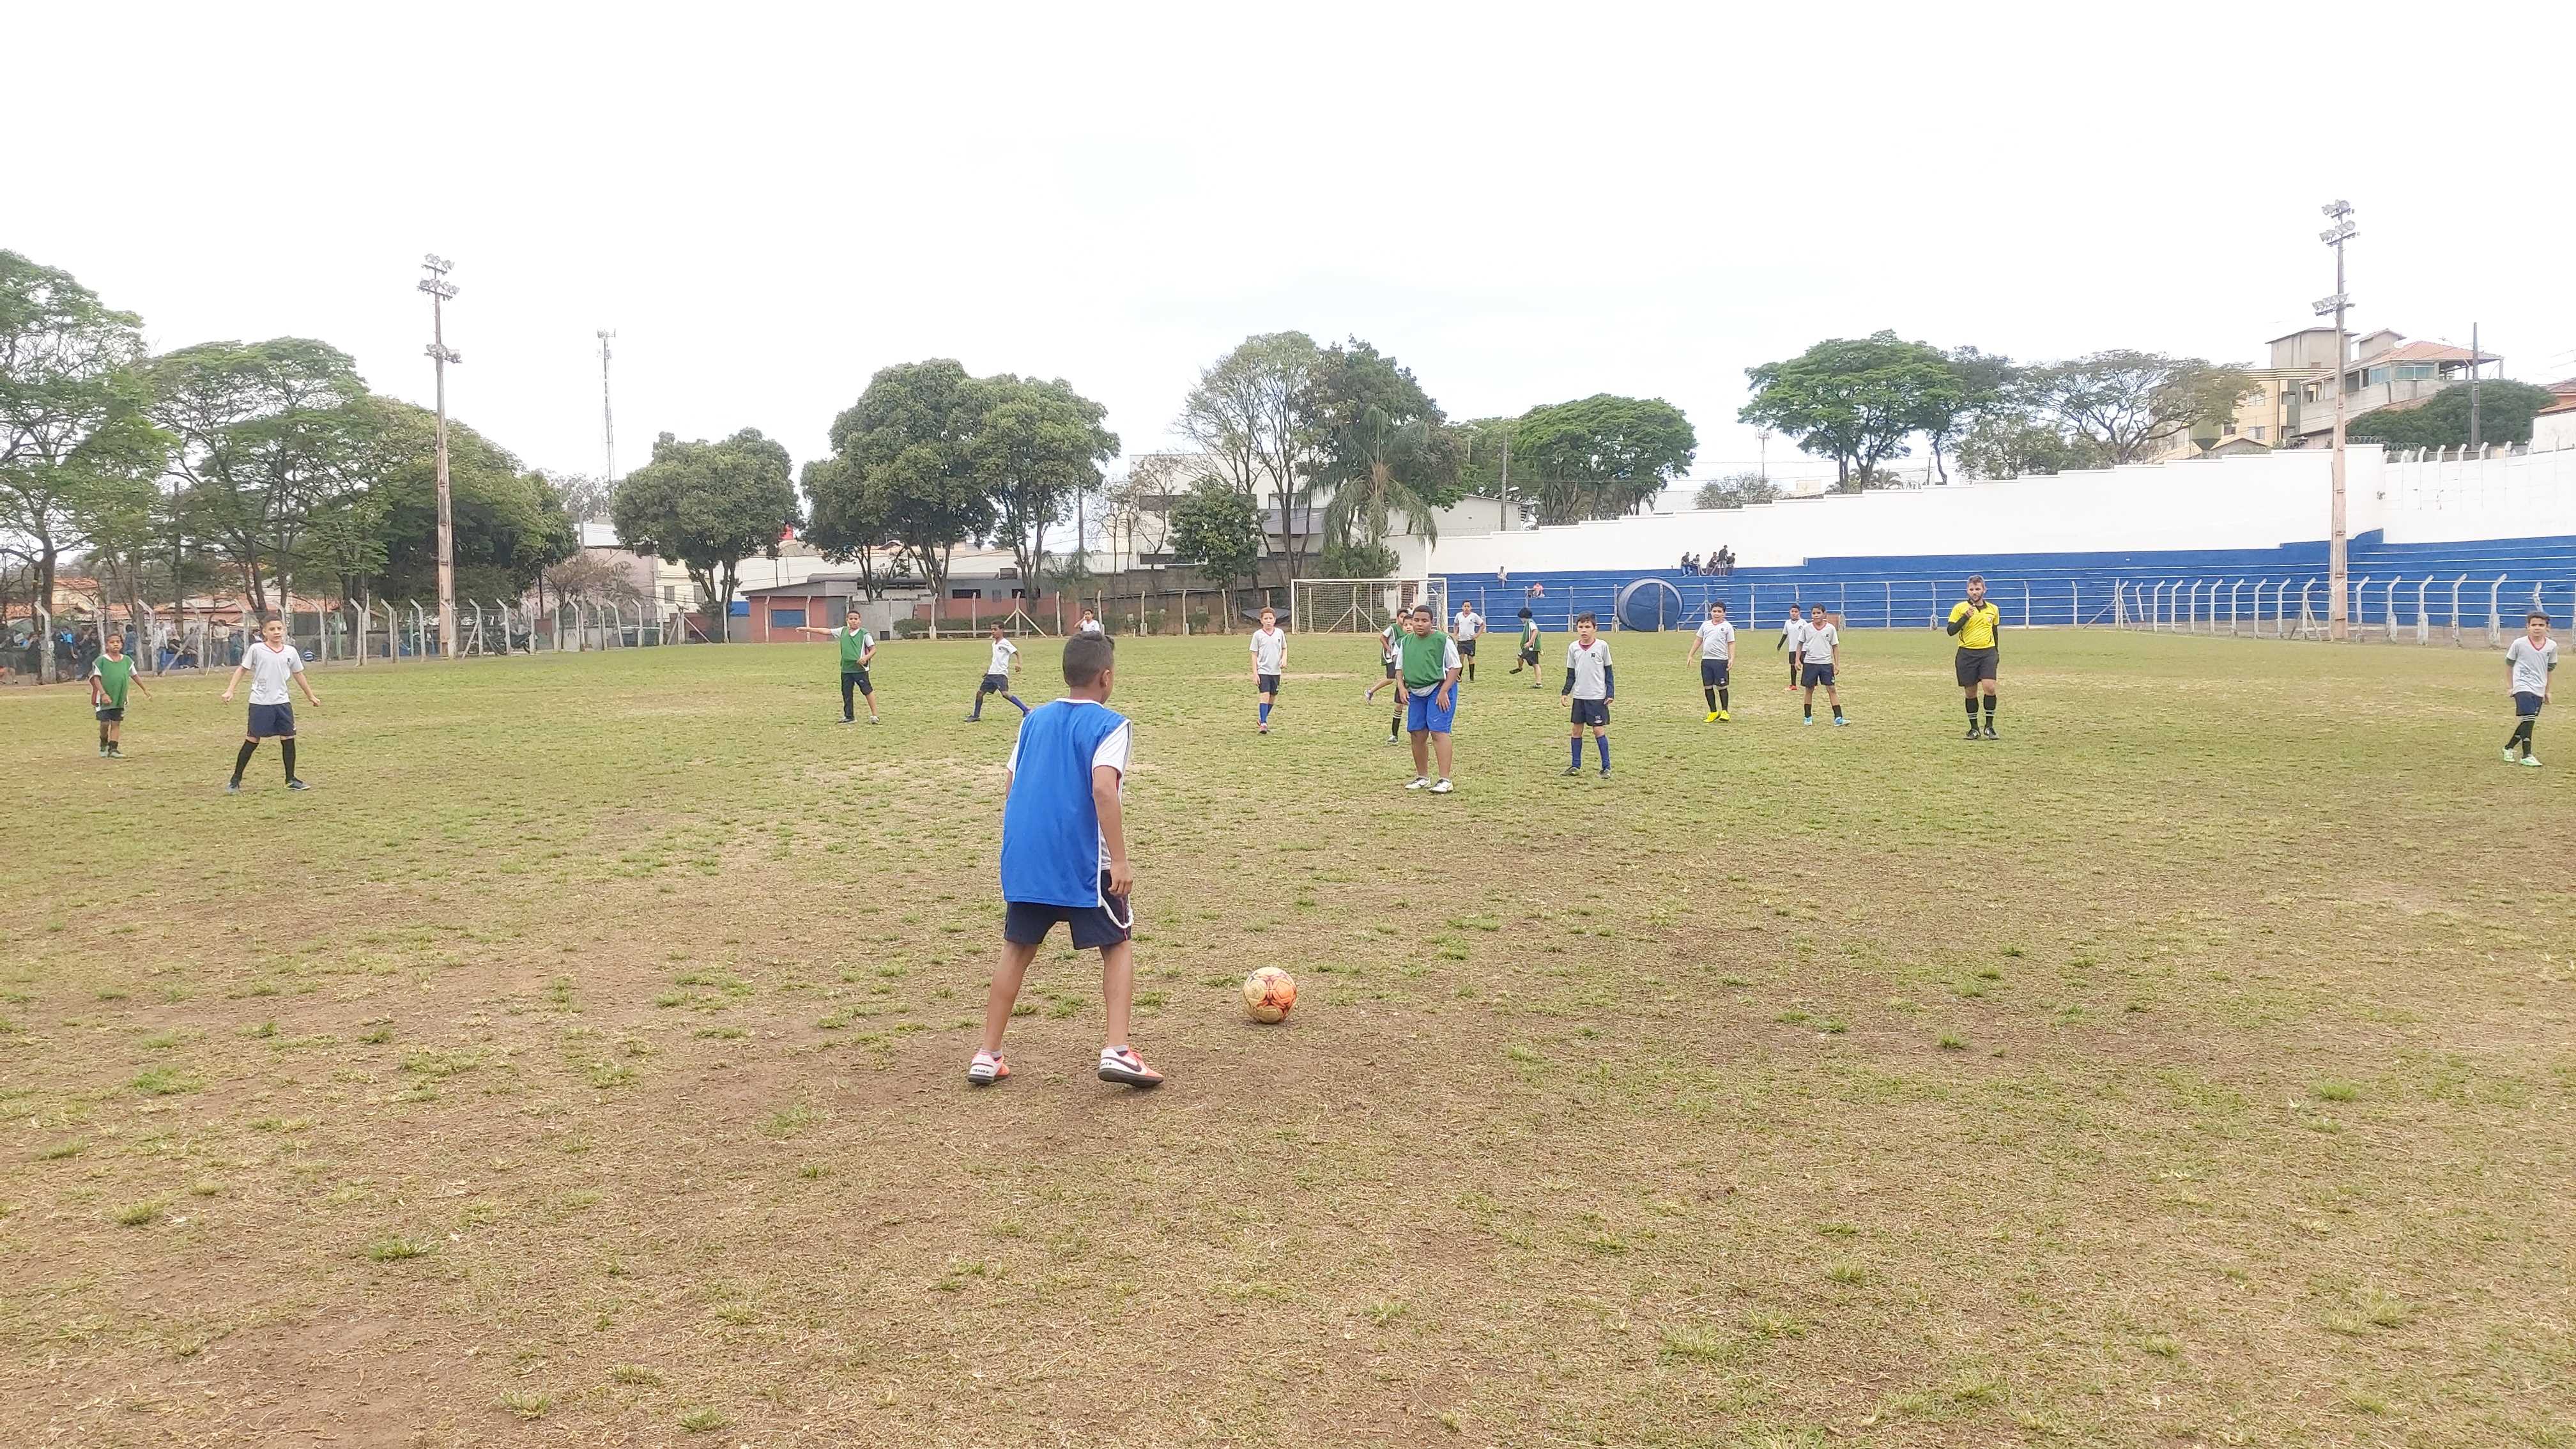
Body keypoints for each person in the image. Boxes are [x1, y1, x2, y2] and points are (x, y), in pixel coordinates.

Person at [969, 632, 1162, 1089]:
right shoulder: (1112, 725)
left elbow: (1012, 782)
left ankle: (987, 1053)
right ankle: (1117, 1049)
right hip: (1082, 862)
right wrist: (1120, 861)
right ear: (1107, 676)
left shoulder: (1033, 720)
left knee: (1016, 949)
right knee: (1116, 943)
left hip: (1029, 855)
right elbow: (1102, 789)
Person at [221, 617, 323, 792]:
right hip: (260, 703)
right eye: (272, 629)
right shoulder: (257, 649)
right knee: (252, 740)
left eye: (279, 629)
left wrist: (310, 696)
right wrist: (230, 690)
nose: (277, 632)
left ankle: (291, 779)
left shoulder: (290, 652)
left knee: (288, 739)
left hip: (282, 703)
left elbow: (299, 674)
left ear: (284, 631)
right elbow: (242, 670)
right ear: (264, 632)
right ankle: (235, 780)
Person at [1396, 604, 1460, 793]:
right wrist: (1401, 687)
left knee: (1438, 731)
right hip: (1416, 691)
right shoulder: (1406, 642)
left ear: (1432, 622)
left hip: (1439, 688)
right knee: (1416, 733)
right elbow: (1399, 668)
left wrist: (1443, 692)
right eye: (1416, 620)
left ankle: (1445, 780)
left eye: (1424, 621)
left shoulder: (1443, 640)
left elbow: (1455, 667)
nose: (1419, 624)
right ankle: (1422, 777)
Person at [1947, 574, 2002, 740]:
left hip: (1988, 653)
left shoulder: (1993, 609)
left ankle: (1990, 727)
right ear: (1967, 590)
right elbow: (1951, 631)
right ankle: (1974, 729)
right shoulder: (1960, 608)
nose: (1975, 592)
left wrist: (1996, 652)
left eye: (1978, 589)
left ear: (1984, 590)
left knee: (1990, 687)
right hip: (1966, 654)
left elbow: (1994, 631)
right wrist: (1965, 617)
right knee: (1970, 693)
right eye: (1972, 589)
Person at [797, 615, 880, 724]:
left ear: (860, 621)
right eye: (851, 619)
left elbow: (873, 649)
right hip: (846, 668)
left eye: (856, 619)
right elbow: (826, 631)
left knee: (867, 691)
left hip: (859, 669)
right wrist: (808, 629)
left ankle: (875, 715)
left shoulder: (864, 634)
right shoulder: (842, 631)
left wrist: (865, 658)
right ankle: (849, 716)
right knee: (847, 693)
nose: (853, 621)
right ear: (847, 620)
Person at [1561, 611, 1613, 779]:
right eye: (1581, 627)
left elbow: (1609, 672)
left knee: (1598, 730)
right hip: (1580, 696)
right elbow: (1571, 674)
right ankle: (1575, 765)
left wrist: (1610, 692)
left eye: (1587, 627)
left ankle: (1606, 767)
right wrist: (1566, 692)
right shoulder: (1573, 647)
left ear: (1595, 628)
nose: (1584, 630)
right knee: (1576, 730)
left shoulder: (1602, 646)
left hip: (1597, 696)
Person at [2504, 610, 2557, 767]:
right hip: (2522, 685)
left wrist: (2547, 691)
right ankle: (2527, 755)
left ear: (2547, 627)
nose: (2537, 628)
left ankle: (2508, 748)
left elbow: (2549, 670)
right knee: (2528, 717)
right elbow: (2509, 665)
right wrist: (2510, 686)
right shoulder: (2519, 643)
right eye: (2534, 625)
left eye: (2541, 625)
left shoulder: (2552, 646)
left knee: (2529, 721)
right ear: (2528, 626)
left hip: (2539, 687)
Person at [89, 627, 153, 758]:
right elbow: (96, 678)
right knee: (105, 723)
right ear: (107, 645)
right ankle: (103, 743)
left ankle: (113, 749)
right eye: (112, 642)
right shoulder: (101, 661)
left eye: (118, 642)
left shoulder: (127, 660)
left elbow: (134, 675)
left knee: (116, 722)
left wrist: (145, 689)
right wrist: (103, 694)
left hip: (120, 697)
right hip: (104, 698)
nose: (116, 644)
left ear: (122, 644)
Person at [965, 622, 1029, 722]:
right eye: (992, 629)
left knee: (1005, 694)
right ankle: (976, 716)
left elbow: (1017, 653)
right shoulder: (994, 644)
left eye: (995, 629)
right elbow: (996, 660)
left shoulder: (1005, 643)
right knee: (980, 693)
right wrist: (988, 671)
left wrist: (1019, 664)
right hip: (991, 674)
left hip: (1000, 674)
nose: (993, 632)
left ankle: (1026, 710)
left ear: (1002, 630)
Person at [1685, 599, 1734, 722]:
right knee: (1707, 687)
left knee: (1722, 686)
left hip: (1721, 660)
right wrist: (1691, 655)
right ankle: (1713, 712)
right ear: (1711, 612)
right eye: (1714, 611)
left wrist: (1731, 658)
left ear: (1724, 614)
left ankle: (1725, 711)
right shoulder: (1705, 625)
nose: (1716, 614)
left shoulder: (1727, 627)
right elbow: (1698, 640)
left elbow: (1731, 643)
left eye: (1719, 611)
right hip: (1706, 660)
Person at [1798, 603, 1846, 726]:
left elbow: (1835, 646)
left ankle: (1838, 717)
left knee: (1831, 689)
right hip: (1810, 663)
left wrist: (1837, 664)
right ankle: (1808, 717)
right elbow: (1800, 644)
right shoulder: (1807, 628)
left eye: (1818, 613)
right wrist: (1798, 660)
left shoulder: (1830, 629)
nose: (1816, 616)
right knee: (1809, 689)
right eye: (1814, 613)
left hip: (1826, 664)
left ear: (1824, 614)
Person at [1363, 611, 1404, 744]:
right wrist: (1389, 649)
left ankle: (1370, 692)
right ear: (1398, 618)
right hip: (1391, 658)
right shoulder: (1393, 627)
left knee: (1392, 679)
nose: (1404, 620)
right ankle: (1370, 692)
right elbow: (1382, 638)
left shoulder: (1407, 632)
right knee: (1392, 679)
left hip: (1398, 658)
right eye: (1402, 617)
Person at [1248, 605, 1287, 734]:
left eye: (1271, 618)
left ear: (1275, 620)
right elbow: (1254, 654)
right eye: (1266, 618)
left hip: (1276, 672)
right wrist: (1255, 673)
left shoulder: (1279, 633)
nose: (1268, 621)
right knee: (1264, 696)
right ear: (1261, 620)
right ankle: (1264, 724)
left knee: (1272, 698)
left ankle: (1262, 718)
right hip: (1263, 671)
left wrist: (1284, 659)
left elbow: (1284, 648)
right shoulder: (1258, 635)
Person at [1777, 604, 1807, 692]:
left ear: (1799, 613)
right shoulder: (1787, 623)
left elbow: (1810, 633)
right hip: (1792, 648)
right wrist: (1780, 644)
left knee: (1806, 665)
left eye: (1796, 612)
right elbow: (1785, 634)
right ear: (1790, 612)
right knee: (1793, 666)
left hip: (1803, 648)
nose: (1794, 613)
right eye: (1792, 612)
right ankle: (1793, 685)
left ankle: (1810, 682)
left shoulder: (1803, 623)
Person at [1509, 607, 1542, 686]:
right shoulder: (1529, 623)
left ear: (1523, 617)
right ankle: (1538, 683)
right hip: (1530, 648)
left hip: (1531, 648)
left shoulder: (1530, 623)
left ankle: (1520, 668)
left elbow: (1536, 631)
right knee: (1534, 664)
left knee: (1535, 664)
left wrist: (1530, 642)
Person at [1452, 601, 1483, 682]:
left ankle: (1472, 678)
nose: (1466, 608)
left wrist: (1477, 634)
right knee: (1460, 658)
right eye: (1465, 606)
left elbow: (1482, 624)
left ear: (1471, 608)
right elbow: (1455, 624)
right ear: (1462, 607)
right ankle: (1459, 677)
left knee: (1470, 658)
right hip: (1461, 641)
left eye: (1468, 606)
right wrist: (1456, 634)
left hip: (1470, 641)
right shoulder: (1459, 615)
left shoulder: (1474, 616)